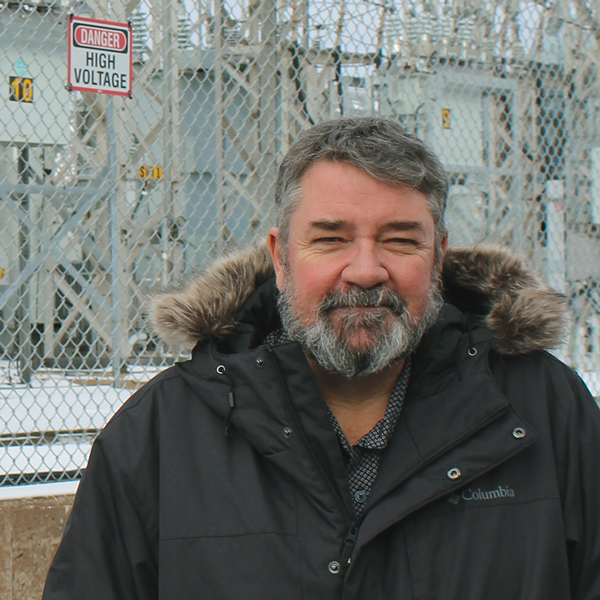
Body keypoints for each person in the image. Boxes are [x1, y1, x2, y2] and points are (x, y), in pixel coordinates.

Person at [43, 117, 600, 600]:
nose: (366, 270)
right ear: (280, 258)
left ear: (438, 257)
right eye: (331, 239)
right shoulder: (159, 437)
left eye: (400, 240)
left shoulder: (545, 413)